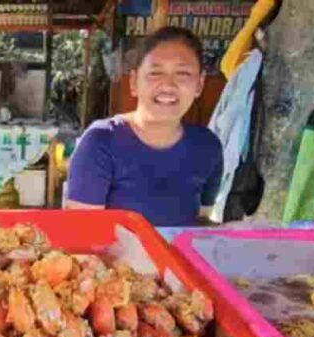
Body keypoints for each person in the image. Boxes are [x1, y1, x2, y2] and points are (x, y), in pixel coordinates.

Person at [65, 26, 223, 226]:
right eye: (155, 73)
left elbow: (201, 221)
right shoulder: (101, 141)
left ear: (199, 85)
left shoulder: (207, 146)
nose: (168, 85)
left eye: (182, 73)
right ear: (134, 82)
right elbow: (83, 231)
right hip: (116, 257)